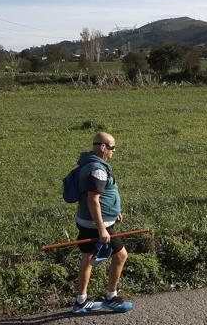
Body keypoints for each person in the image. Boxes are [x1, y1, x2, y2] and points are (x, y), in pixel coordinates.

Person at [71, 132, 133, 314]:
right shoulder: (97, 169)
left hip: (89, 220)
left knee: (88, 258)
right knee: (121, 256)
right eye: (112, 147)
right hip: (97, 224)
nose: (114, 151)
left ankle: (81, 301)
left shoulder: (88, 163)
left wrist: (115, 210)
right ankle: (111, 298)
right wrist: (102, 229)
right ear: (103, 147)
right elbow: (93, 200)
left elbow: (102, 194)